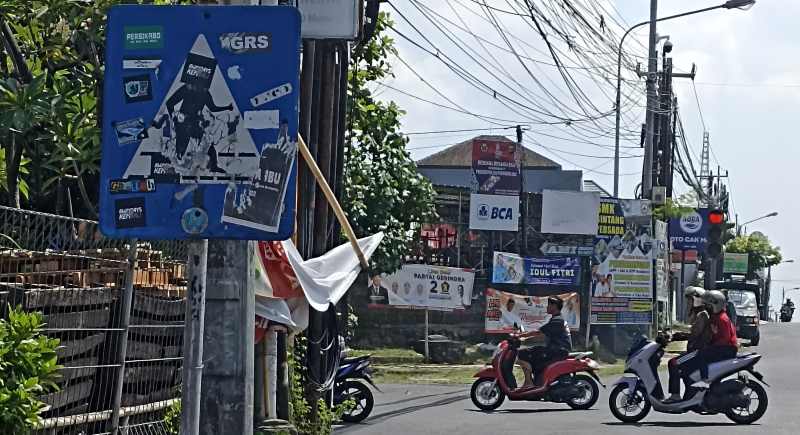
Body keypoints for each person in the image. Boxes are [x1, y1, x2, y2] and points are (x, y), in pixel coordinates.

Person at [674, 290, 738, 393]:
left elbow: (724, 339)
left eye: (708, 306)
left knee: (701, 354)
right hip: (724, 348)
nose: (706, 308)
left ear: (715, 305)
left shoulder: (722, 319)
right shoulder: (714, 317)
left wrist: (709, 345)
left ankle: (704, 379)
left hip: (726, 349)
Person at [664, 287, 712, 403]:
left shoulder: (702, 315)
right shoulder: (698, 314)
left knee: (673, 363)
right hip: (695, 351)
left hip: (697, 352)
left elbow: (694, 333)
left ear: (696, 300)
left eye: (689, 300)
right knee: (683, 371)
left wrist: (677, 336)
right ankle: (689, 396)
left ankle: (675, 395)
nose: (688, 303)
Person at [516, 296, 573, 388]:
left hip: (557, 350)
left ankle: (528, 383)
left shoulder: (557, 320)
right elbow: (541, 336)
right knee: (534, 353)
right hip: (557, 349)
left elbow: (538, 333)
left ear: (554, 306)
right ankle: (537, 381)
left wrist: (520, 336)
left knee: (522, 353)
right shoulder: (557, 319)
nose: (547, 307)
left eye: (549, 305)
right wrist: (524, 339)